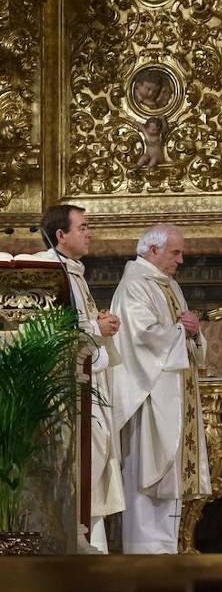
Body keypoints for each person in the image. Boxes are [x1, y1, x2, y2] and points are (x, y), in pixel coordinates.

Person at [110, 224, 210, 554]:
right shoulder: (135, 286)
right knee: (146, 474)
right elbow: (142, 338)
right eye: (175, 252)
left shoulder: (170, 286)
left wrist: (194, 333)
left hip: (174, 396)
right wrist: (182, 331)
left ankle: (167, 550)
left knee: (170, 478)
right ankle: (144, 552)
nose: (181, 260)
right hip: (150, 398)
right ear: (153, 251)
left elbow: (181, 332)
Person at [35, 204, 124, 553]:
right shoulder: (45, 268)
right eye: (83, 227)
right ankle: (73, 541)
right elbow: (43, 331)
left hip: (85, 383)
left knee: (93, 462)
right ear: (61, 234)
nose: (89, 233)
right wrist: (93, 327)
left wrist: (100, 326)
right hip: (62, 389)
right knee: (76, 463)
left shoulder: (74, 271)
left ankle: (89, 543)